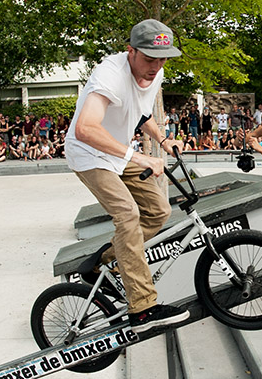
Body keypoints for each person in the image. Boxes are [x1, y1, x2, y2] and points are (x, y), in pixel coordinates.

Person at [64, 19, 189, 332]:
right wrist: (139, 155)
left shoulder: (156, 73)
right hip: (89, 154)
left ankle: (99, 263)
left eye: (162, 59)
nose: (155, 67)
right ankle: (142, 309)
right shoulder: (109, 75)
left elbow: (141, 113)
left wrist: (162, 140)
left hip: (117, 154)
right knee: (128, 215)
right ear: (130, 51)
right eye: (148, 59)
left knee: (159, 211)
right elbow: (85, 128)